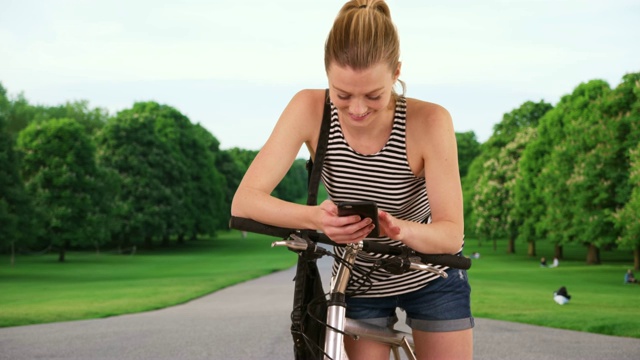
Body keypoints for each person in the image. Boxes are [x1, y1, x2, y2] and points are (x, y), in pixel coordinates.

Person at [231, 1, 473, 358]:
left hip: (431, 274)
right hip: (359, 278)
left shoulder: (430, 121)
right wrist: (318, 219)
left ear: (396, 73)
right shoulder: (308, 108)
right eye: (342, 95)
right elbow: (246, 200)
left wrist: (400, 231)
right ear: (327, 75)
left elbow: (451, 234)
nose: (357, 110)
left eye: (373, 95)